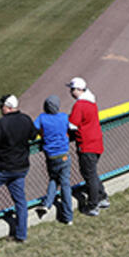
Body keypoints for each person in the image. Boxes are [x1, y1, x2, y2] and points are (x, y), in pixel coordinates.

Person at [0, 94, 36, 242]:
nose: (0, 108)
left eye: (1, 106)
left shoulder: (2, 123)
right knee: (20, 201)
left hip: (3, 169)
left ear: (8, 107)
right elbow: (33, 136)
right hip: (21, 167)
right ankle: (21, 235)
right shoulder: (26, 119)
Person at [68, 77, 108, 215]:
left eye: (72, 89)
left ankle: (93, 205)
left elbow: (72, 125)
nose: (71, 92)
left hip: (87, 145)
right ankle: (102, 197)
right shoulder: (91, 101)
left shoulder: (80, 105)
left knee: (88, 175)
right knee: (92, 173)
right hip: (96, 142)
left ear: (79, 89)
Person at [34, 95, 74, 224]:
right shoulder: (63, 116)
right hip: (64, 155)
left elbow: (33, 129)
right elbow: (72, 127)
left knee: (53, 178)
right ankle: (68, 217)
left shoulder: (42, 117)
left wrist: (42, 133)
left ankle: (47, 203)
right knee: (65, 185)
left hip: (51, 156)